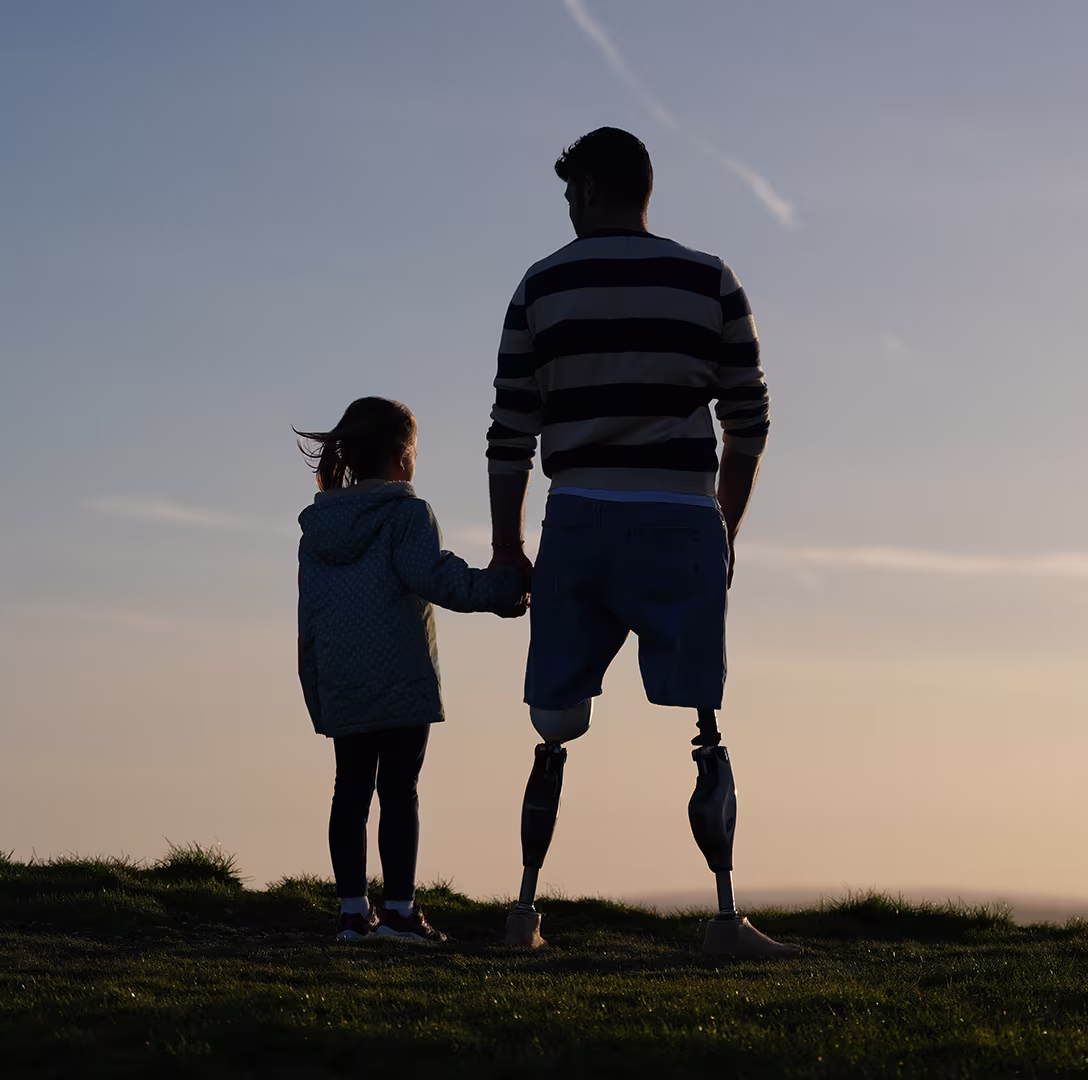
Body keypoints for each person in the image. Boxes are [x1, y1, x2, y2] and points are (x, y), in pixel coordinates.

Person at [486, 127, 796, 957]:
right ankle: (725, 916)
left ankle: (524, 913)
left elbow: (510, 431)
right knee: (703, 717)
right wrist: (724, 526)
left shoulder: (541, 285)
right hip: (680, 517)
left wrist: (508, 547)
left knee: (553, 720)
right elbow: (750, 418)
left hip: (579, 515)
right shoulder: (710, 279)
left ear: (588, 189)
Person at [296, 396, 528, 941]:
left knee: (349, 789)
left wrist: (315, 679)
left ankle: (353, 913)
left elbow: (309, 610)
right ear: (403, 458)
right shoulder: (406, 513)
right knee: (399, 789)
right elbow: (438, 578)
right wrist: (502, 589)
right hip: (398, 675)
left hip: (341, 676)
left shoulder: (320, 524)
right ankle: (399, 911)